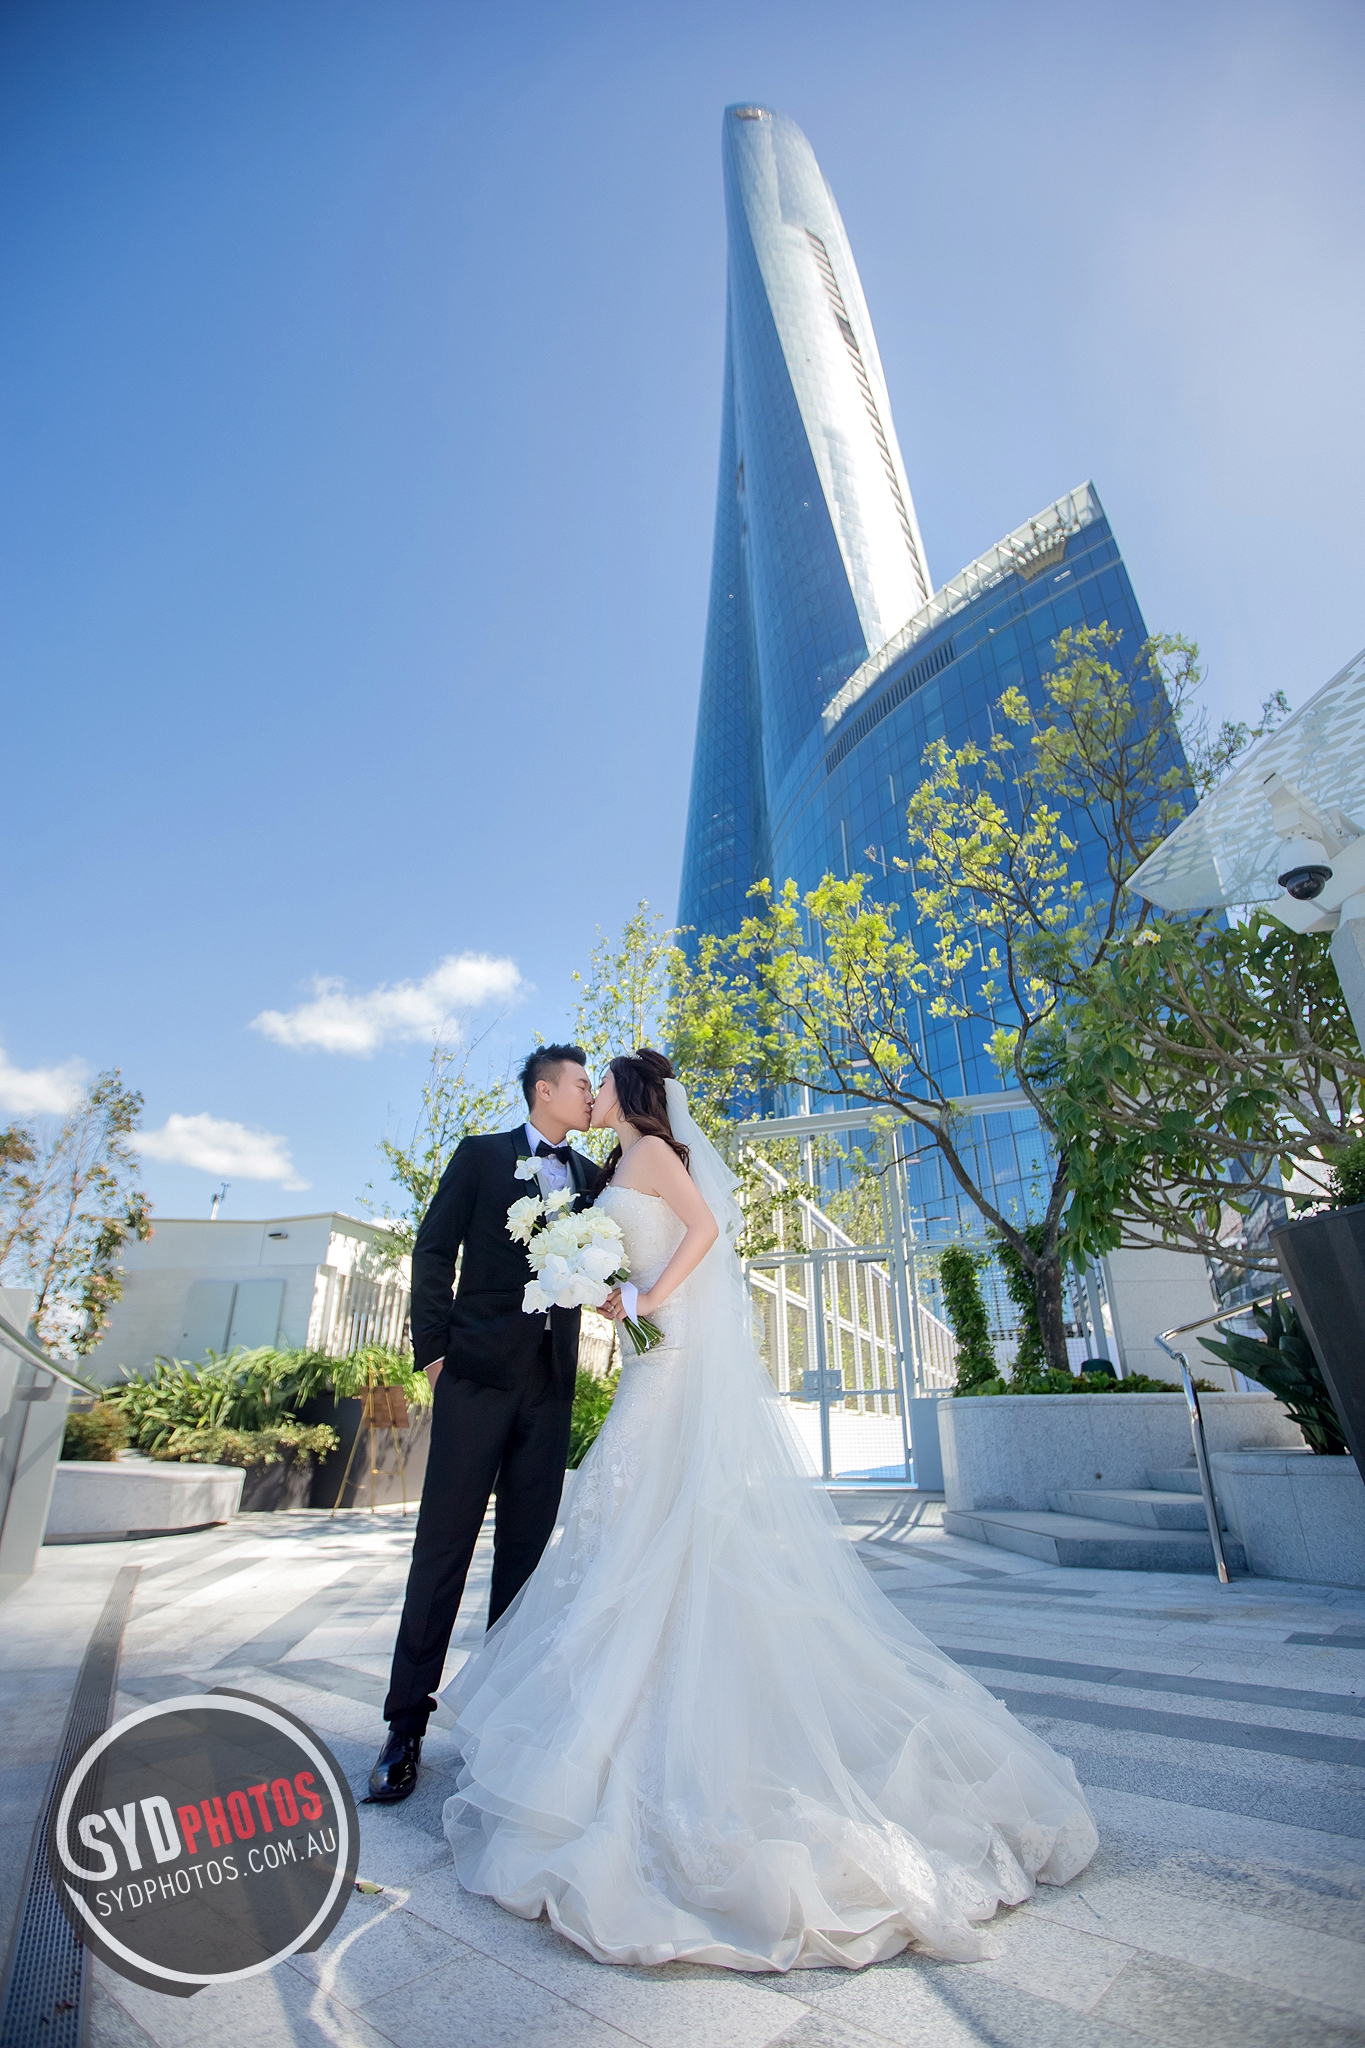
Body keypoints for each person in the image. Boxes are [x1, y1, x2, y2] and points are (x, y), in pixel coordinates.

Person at [438, 1048, 1099, 1969]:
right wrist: (604, 1289)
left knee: (636, 1506)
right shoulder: (613, 1166)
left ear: (630, 1094)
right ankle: (619, 1699)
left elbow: (705, 1229)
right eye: (582, 1086)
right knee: (630, 1515)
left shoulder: (651, 1154)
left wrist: (645, 1295)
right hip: (647, 1347)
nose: (592, 1095)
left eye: (603, 1085)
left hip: (671, 1346)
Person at [367, 1044, 597, 1804]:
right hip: (473, 1379)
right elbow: (433, 1252)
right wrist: (434, 1356)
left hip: (551, 1386)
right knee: (443, 1548)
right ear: (544, 1090)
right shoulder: (479, 1156)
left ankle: (501, 1725)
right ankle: (405, 1726)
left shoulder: (592, 1177)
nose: (589, 1095)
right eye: (581, 1084)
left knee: (525, 1562)